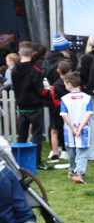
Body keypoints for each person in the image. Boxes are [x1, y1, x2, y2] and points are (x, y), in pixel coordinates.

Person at [11, 41, 51, 171]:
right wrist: (48, 92)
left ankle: (19, 161)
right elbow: (39, 91)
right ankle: (37, 161)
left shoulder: (14, 70)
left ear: (19, 53)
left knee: (22, 135)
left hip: (22, 106)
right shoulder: (35, 70)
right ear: (33, 53)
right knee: (36, 135)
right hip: (35, 106)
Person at [45, 34, 76, 162]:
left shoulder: (48, 61)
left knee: (54, 126)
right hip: (65, 97)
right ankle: (64, 149)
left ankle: (55, 150)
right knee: (66, 124)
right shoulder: (65, 63)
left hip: (53, 98)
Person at [60, 71, 93, 184]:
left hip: (69, 130)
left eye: (65, 84)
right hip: (84, 129)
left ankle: (74, 170)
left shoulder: (65, 98)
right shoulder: (87, 97)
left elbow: (64, 114)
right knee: (82, 152)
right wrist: (80, 127)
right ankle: (78, 173)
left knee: (71, 152)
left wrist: (73, 128)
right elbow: (89, 113)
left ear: (69, 84)